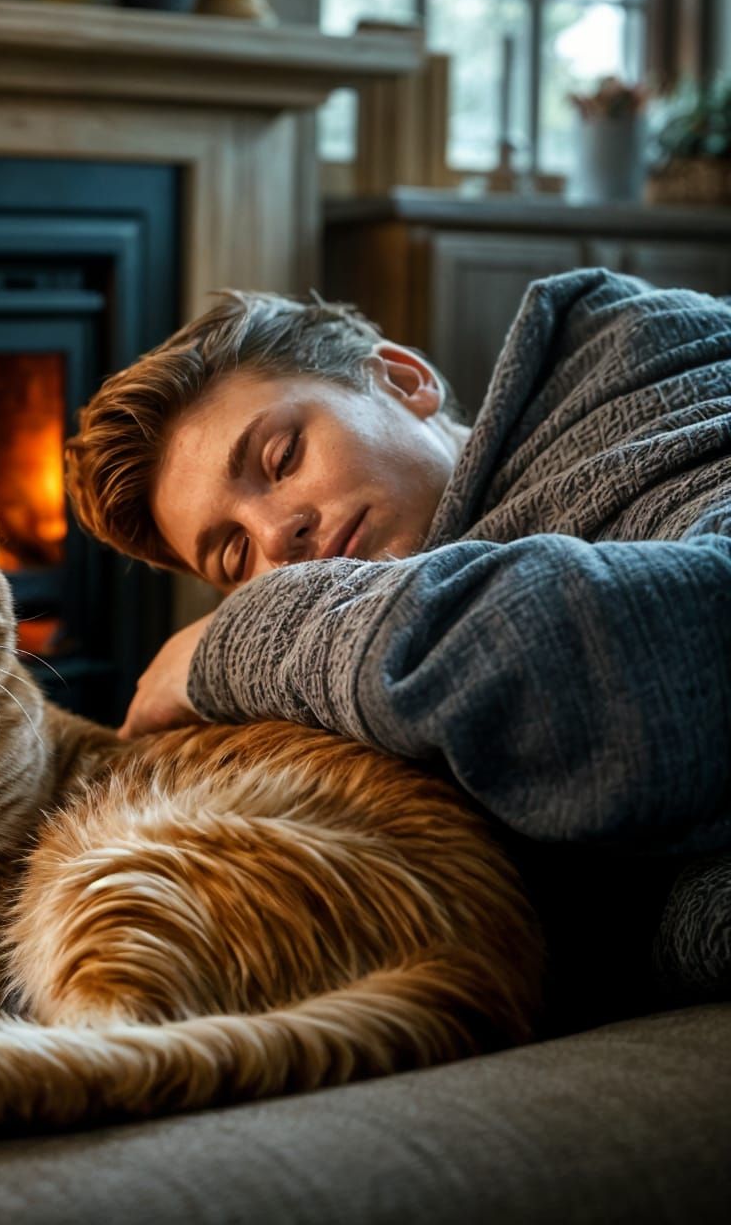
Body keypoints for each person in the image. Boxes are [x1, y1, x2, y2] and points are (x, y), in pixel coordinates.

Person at [65, 268, 731, 1008]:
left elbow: (679, 652)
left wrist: (224, 644)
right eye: (232, 556)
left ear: (402, 380)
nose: (276, 537)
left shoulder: (656, 383)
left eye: (282, 459)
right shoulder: (341, 683)